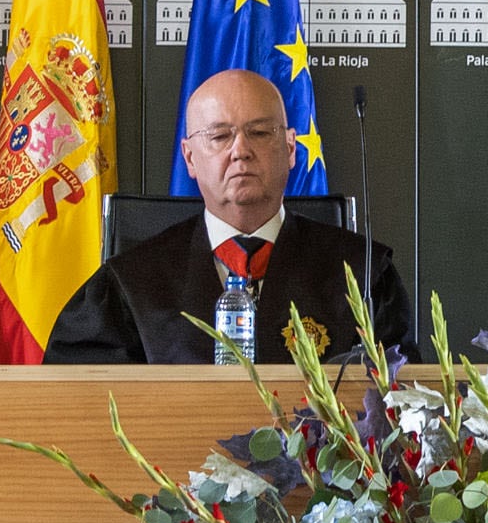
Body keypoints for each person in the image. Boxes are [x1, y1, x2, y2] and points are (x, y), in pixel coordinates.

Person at [45, 68, 415, 364]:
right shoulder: (132, 281)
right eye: (220, 136)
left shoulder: (364, 274)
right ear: (190, 158)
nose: (241, 151)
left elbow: (398, 402)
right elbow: (79, 403)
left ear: (290, 149)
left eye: (258, 132)